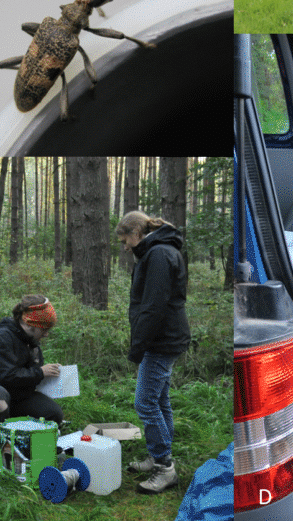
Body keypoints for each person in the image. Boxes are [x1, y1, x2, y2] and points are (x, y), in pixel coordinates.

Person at [116, 210, 190, 495]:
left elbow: (154, 306)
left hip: (161, 340)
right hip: (165, 337)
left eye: (126, 240)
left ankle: (164, 467)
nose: (126, 247)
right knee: (159, 400)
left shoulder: (159, 254)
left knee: (145, 403)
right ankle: (157, 454)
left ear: (137, 234)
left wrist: (138, 347)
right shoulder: (159, 251)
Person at [0, 295, 63, 464]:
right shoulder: (1, 338)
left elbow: (28, 375)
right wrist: (40, 372)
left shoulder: (31, 342)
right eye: (44, 328)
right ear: (30, 323)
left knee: (53, 413)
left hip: (16, 398)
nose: (47, 334)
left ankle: (24, 444)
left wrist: (49, 375)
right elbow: (5, 377)